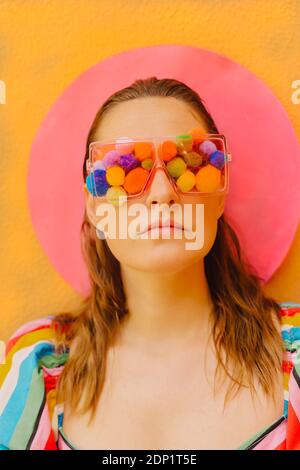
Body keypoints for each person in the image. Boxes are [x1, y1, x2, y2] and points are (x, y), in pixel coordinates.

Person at [0, 77, 299, 450]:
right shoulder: (37, 365)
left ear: (220, 195)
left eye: (186, 165)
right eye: (125, 171)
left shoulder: (295, 354)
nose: (161, 193)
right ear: (95, 208)